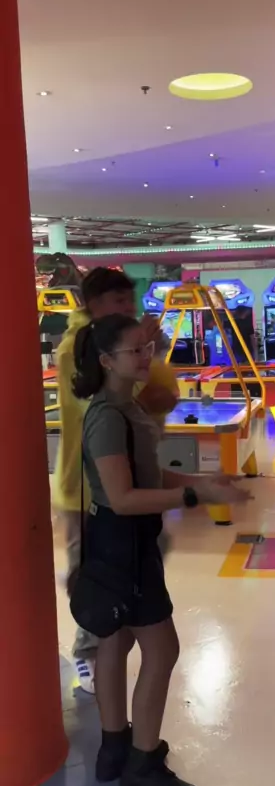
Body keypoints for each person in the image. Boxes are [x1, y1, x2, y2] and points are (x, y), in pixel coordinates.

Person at [72, 313, 251, 786]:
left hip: (122, 542)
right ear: (107, 361)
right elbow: (124, 498)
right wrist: (193, 498)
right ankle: (142, 765)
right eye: (135, 350)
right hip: (123, 543)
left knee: (117, 641)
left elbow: (151, 477)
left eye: (147, 348)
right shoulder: (108, 417)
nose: (146, 357)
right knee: (162, 649)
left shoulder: (126, 408)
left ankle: (115, 747)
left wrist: (201, 484)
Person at [52, 267, 179, 692]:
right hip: (88, 489)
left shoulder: (123, 344)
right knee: (98, 584)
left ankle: (110, 645)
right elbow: (111, 401)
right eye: (118, 302)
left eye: (130, 300)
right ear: (94, 305)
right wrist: (191, 493)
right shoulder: (78, 348)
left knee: (134, 572)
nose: (128, 308)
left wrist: (145, 354)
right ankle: (88, 653)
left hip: (129, 482)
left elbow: (163, 395)